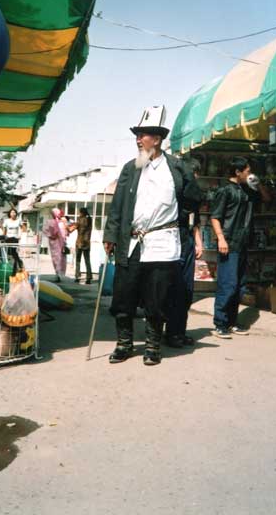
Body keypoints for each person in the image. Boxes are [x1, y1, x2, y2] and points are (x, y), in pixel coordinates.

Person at [103, 106, 201, 366]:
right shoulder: (131, 168)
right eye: (137, 135)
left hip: (163, 243)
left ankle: (152, 347)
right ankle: (124, 344)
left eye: (143, 135)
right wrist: (111, 234)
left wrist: (188, 174)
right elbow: (118, 205)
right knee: (123, 296)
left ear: (156, 139)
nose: (138, 140)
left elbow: (194, 199)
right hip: (132, 242)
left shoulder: (176, 168)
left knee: (157, 298)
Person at [210, 156, 271, 338]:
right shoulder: (225, 191)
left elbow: (267, 199)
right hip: (229, 243)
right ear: (237, 172)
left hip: (243, 243)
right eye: (247, 171)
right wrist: (221, 239)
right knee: (227, 285)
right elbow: (215, 216)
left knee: (238, 286)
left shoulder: (246, 190)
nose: (249, 173)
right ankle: (220, 323)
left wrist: (258, 184)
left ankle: (231, 321)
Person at [165, 159, 203, 347]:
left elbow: (195, 221)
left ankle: (180, 331)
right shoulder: (175, 192)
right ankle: (171, 333)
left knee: (187, 290)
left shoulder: (193, 196)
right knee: (175, 289)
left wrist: (198, 242)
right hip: (173, 240)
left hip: (187, 242)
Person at [42, 207, 68, 282]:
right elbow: (46, 230)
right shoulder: (54, 222)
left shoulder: (61, 222)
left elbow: (66, 232)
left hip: (58, 243)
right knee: (57, 258)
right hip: (56, 243)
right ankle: (58, 273)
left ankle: (59, 274)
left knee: (59, 258)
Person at [73, 207, 92, 284]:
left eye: (79, 212)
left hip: (79, 243)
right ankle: (89, 278)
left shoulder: (80, 220)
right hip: (87, 243)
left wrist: (66, 226)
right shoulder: (89, 220)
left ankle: (77, 277)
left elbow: (72, 229)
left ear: (81, 213)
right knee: (87, 261)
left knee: (78, 260)